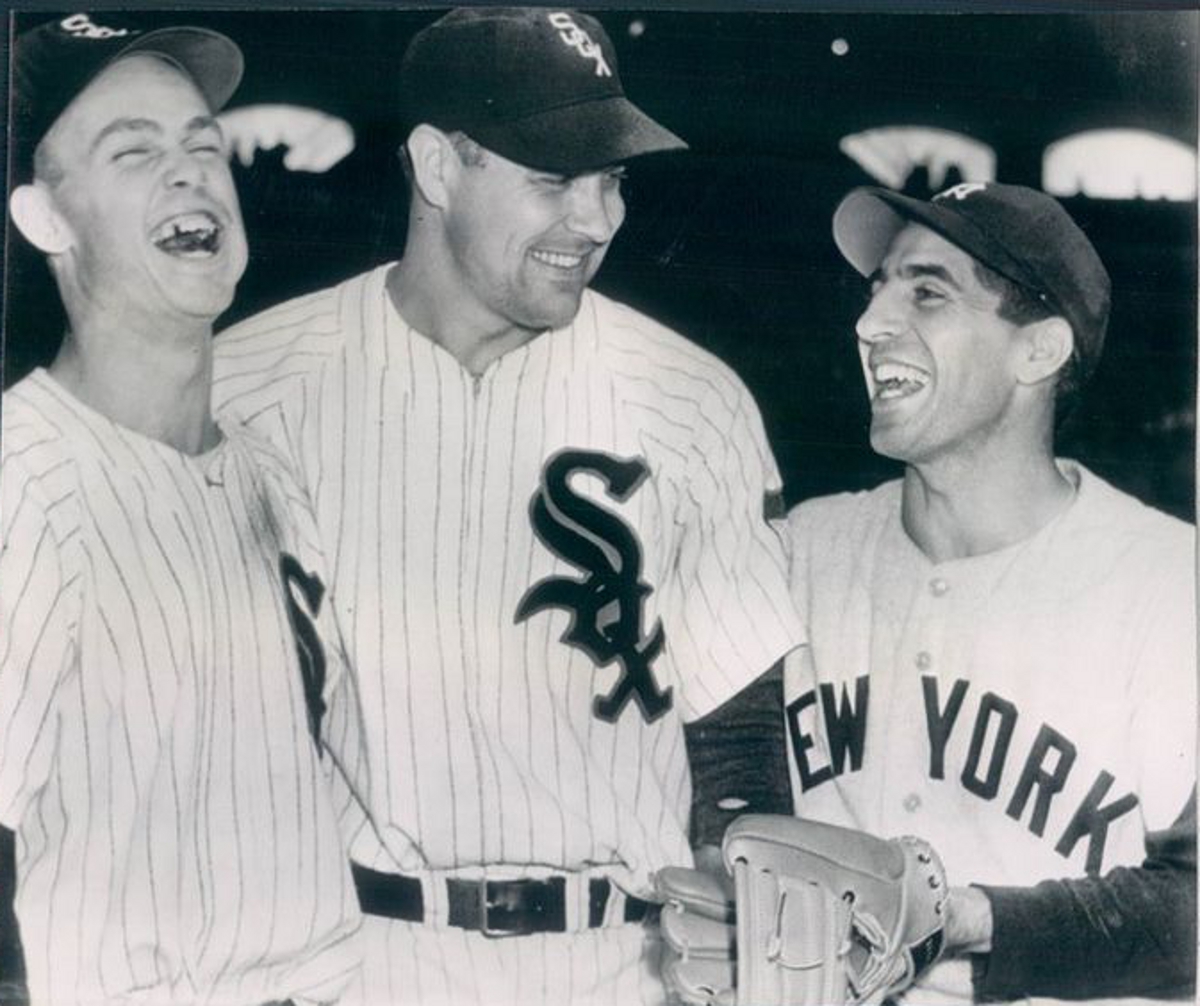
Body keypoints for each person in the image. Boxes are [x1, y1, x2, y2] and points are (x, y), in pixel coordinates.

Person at [211, 7, 805, 1004]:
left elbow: (740, 740)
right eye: (554, 179)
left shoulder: (693, 398)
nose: (600, 217)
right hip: (358, 953)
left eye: (611, 178)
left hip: (626, 960)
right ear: (440, 167)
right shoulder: (246, 393)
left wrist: (748, 914)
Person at [1, 14, 367, 1004]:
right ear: (44, 220)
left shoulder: (271, 475)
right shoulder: (21, 477)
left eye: (203, 144)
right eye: (133, 152)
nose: (189, 172)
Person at [781, 182, 1196, 1002]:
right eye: (878, 289)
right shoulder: (802, 549)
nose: (871, 326)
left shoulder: (1170, 581)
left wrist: (971, 919)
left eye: (927, 293)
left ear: (1038, 352)